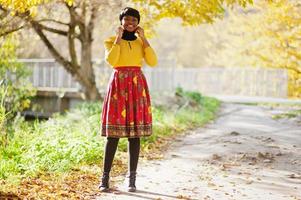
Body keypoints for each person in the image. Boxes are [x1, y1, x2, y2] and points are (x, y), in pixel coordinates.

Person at [99, 7, 158, 192]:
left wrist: (144, 38)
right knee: (113, 135)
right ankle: (105, 179)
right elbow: (112, 60)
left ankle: (132, 180)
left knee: (135, 135)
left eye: (134, 20)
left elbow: (153, 61)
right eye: (127, 20)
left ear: (138, 23)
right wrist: (118, 38)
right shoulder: (110, 41)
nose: (130, 23)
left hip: (136, 86)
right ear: (121, 21)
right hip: (118, 85)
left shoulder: (141, 43)